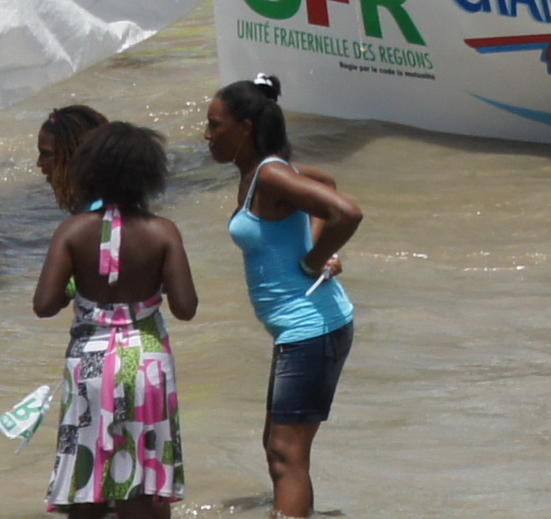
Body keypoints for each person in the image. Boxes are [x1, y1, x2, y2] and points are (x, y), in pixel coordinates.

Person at [205, 77, 363, 517]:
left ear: (246, 126)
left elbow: (346, 211)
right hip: (302, 329)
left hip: (311, 328)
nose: (206, 135)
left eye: (215, 125)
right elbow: (325, 183)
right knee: (279, 449)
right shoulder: (264, 173)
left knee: (285, 454)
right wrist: (318, 251)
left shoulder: (271, 173)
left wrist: (316, 259)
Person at [32, 121, 192, 519]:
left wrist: (80, 292)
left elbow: (44, 303)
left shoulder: (72, 231)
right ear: (149, 174)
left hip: (90, 362)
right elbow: (186, 307)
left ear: (89, 170)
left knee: (88, 479)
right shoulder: (163, 232)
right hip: (147, 363)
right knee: (143, 482)